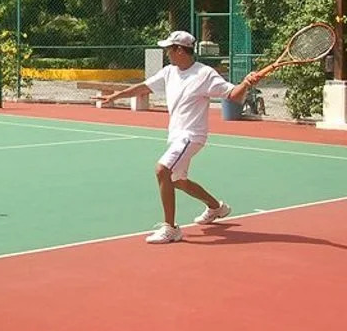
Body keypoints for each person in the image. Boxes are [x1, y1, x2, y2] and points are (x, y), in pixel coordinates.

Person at [99, 30, 263, 244]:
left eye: (169, 49)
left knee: (162, 170)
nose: (167, 53)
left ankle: (171, 229)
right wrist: (115, 95)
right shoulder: (169, 72)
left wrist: (247, 83)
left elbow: (232, 95)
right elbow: (144, 87)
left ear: (179, 50)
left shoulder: (204, 74)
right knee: (178, 180)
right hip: (176, 135)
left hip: (192, 136)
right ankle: (217, 207)